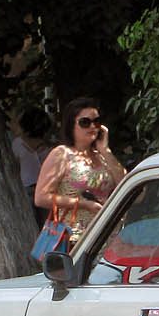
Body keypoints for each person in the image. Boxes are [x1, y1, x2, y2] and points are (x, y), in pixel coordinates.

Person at [33, 96, 126, 244]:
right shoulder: (61, 154)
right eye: (85, 122)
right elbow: (41, 198)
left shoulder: (102, 157)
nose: (92, 127)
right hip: (73, 240)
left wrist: (105, 150)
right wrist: (83, 204)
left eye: (96, 122)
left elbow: (126, 186)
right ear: (71, 126)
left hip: (107, 237)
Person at [12, 108, 53, 227]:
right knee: (47, 225)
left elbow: (15, 169)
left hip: (27, 190)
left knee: (30, 225)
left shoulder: (17, 144)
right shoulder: (50, 147)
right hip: (46, 190)